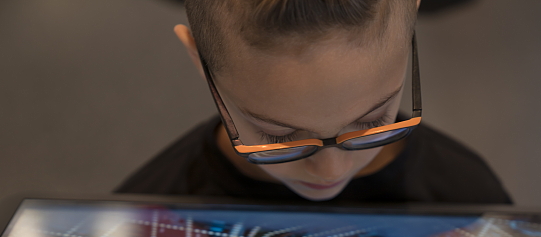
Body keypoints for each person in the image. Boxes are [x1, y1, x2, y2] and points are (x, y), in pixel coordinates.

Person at [116, 0, 511, 204]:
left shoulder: (470, 199)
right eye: (278, 137)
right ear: (198, 59)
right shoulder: (151, 216)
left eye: (372, 122)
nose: (329, 170)